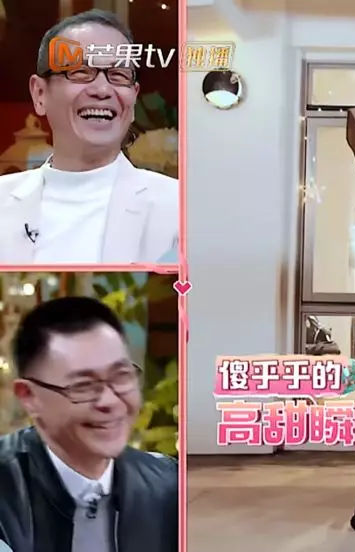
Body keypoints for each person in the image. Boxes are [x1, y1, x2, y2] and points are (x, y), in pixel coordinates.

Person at [0, 10, 178, 264]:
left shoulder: (178, 208)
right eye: (80, 72)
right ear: (39, 93)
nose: (103, 89)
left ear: (134, 97)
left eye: (119, 75)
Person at [0, 296, 178, 551]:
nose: (110, 401)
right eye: (83, 386)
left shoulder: (168, 486)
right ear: (30, 397)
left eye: (121, 376)